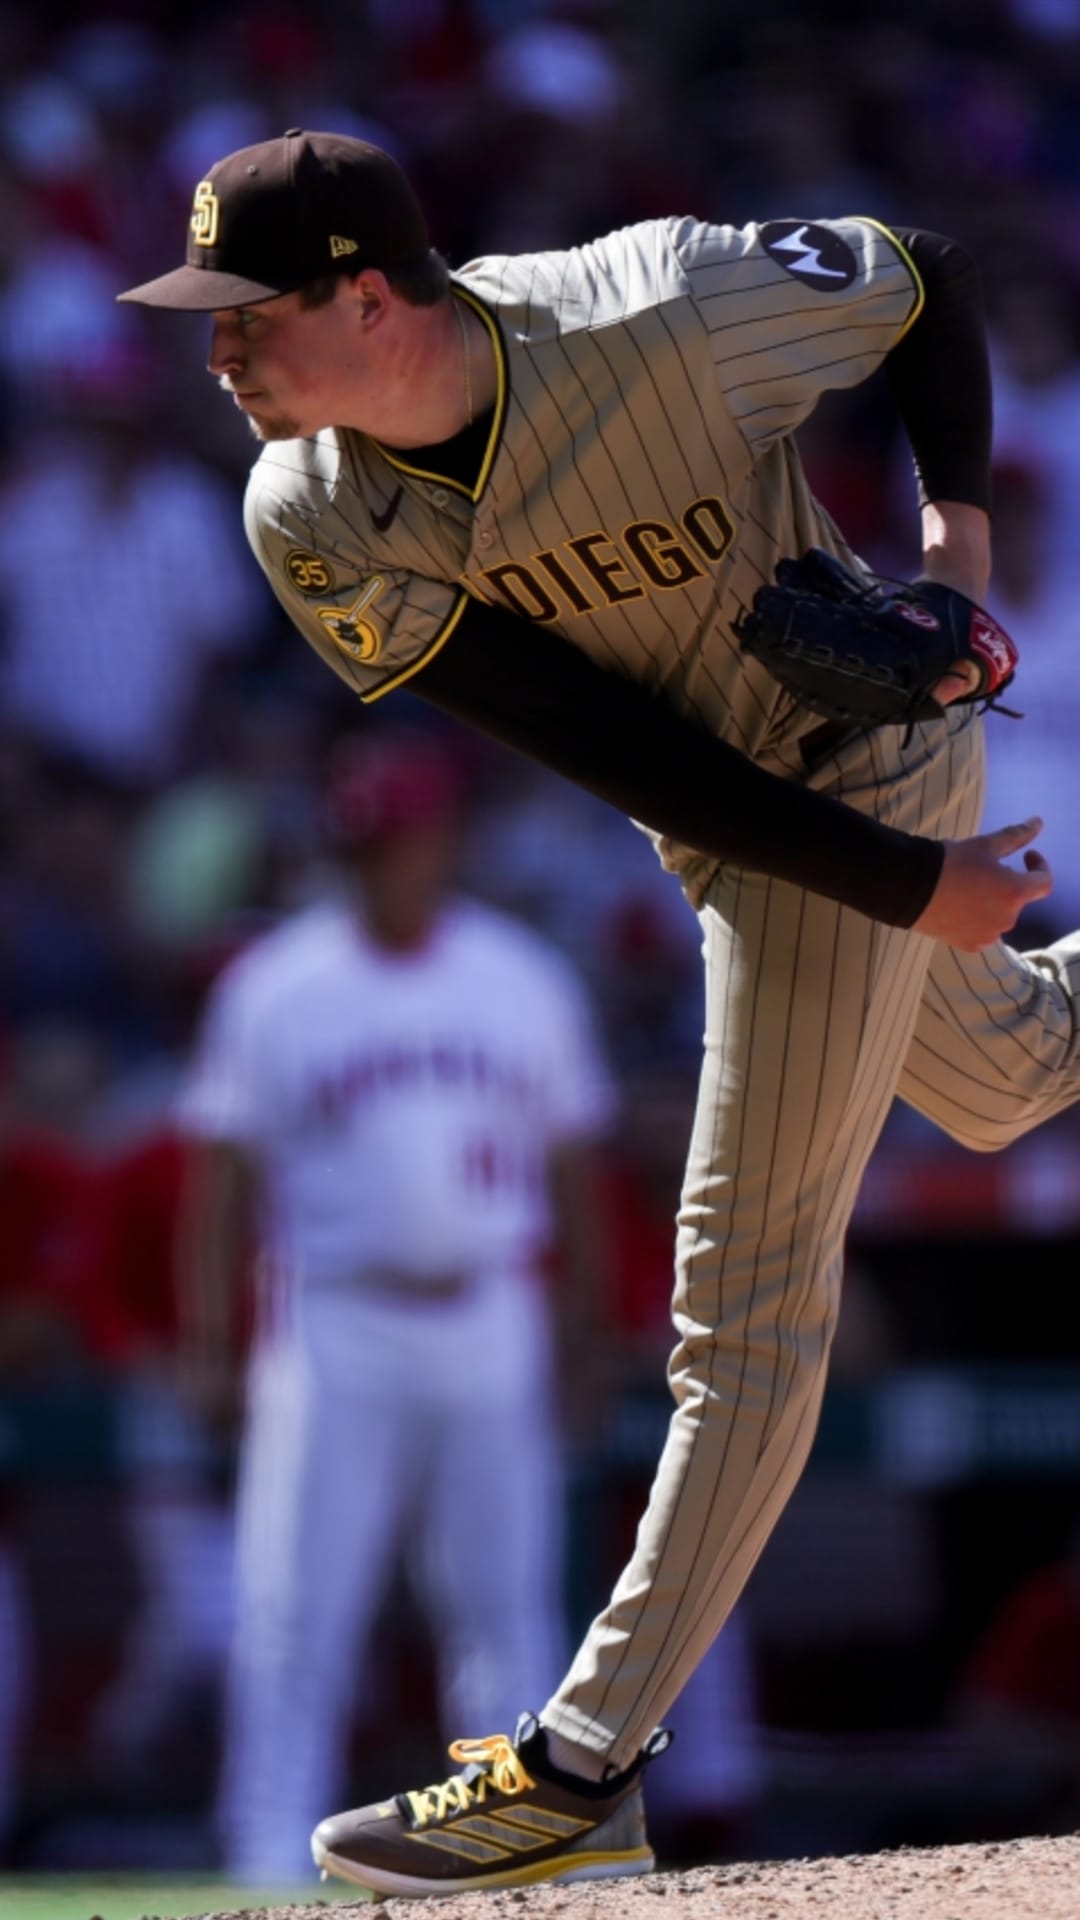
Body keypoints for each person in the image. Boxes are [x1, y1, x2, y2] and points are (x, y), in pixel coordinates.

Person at [118, 128, 1077, 1899]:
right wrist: (908, 890)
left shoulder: (659, 306)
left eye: (249, 312)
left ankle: (579, 1766)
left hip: (868, 753)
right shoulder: (305, 511)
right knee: (1013, 1076)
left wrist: (955, 548)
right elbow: (610, 744)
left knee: (745, 1292)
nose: (218, 350)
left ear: (369, 295)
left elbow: (923, 275)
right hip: (741, 824)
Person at [173, 725, 617, 1884]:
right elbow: (220, 1180)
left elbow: (575, 1170)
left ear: (445, 840)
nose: (390, 863)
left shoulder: (520, 978)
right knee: (296, 1608)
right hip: (335, 1320)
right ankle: (267, 1860)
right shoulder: (277, 986)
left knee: (506, 1610)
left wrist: (583, 1336)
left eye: (407, 839)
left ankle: (512, 1852)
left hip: (492, 1313)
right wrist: (211, 1343)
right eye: (368, 845)